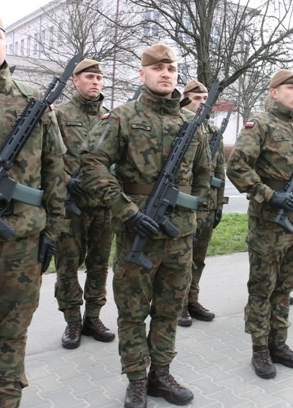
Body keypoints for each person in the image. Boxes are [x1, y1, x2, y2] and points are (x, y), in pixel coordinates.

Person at [80, 44, 210, 407]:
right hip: (137, 231)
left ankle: (161, 374)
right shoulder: (122, 117)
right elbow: (91, 164)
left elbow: (205, 174)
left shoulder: (191, 125)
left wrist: (195, 214)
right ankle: (137, 378)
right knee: (134, 311)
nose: (166, 73)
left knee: (169, 309)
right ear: (143, 74)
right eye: (157, 68)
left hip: (179, 236)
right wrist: (126, 210)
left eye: (171, 68)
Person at [0, 9, 67, 407]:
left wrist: (53, 233)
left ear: (6, 43)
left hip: (22, 244)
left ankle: (7, 399)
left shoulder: (35, 102)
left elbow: (55, 173)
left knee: (12, 333)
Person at [226, 69, 293, 379]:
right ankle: (260, 348)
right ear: (274, 92)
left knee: (285, 288)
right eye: (290, 87)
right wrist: (269, 195)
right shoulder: (259, 124)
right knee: (263, 288)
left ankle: (279, 343)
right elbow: (236, 167)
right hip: (268, 224)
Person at [54, 58, 115, 350]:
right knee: (67, 263)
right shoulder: (60, 114)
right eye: (89, 77)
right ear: (75, 80)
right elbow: (48, 157)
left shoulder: (110, 117)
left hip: (103, 205)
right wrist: (67, 181)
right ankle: (72, 320)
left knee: (99, 265)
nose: (95, 82)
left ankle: (93, 316)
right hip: (71, 205)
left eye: (99, 78)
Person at [177, 79, 227, 327]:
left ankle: (192, 298)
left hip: (206, 205)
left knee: (199, 258)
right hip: (184, 204)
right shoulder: (180, 125)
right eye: (197, 98)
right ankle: (179, 304)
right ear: (185, 99)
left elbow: (219, 172)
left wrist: (219, 204)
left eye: (205, 99)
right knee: (181, 259)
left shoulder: (213, 130)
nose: (202, 103)